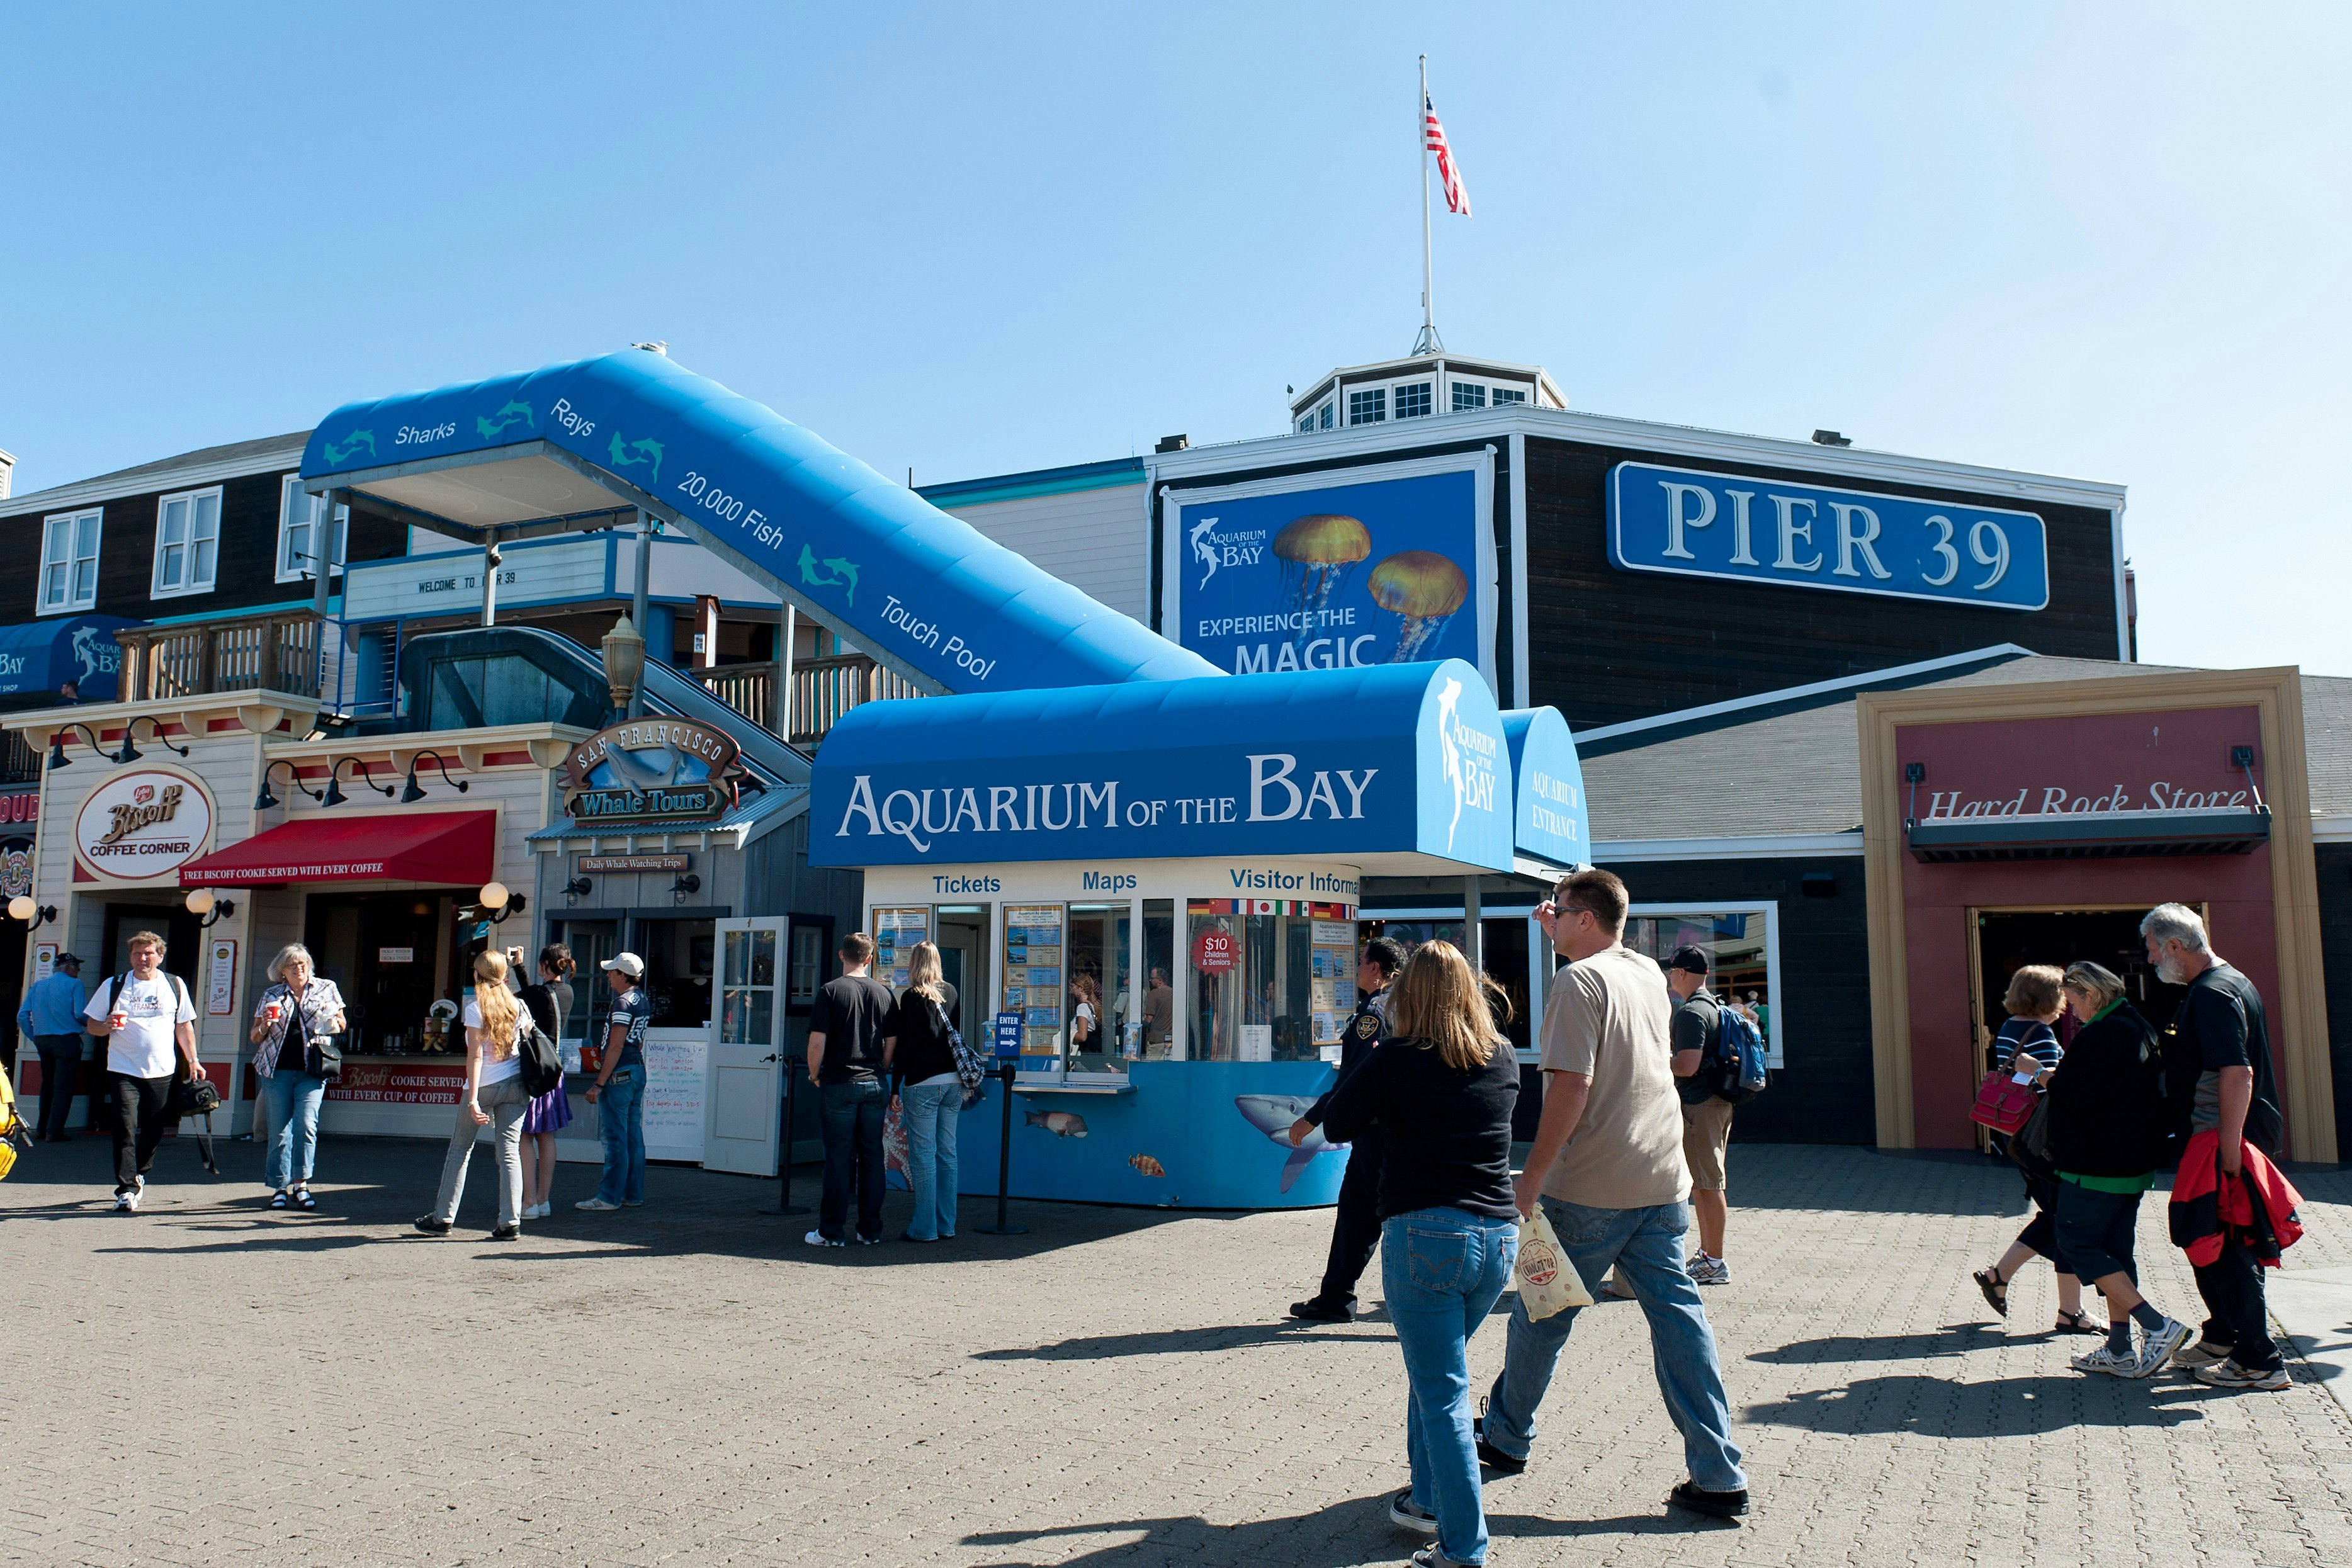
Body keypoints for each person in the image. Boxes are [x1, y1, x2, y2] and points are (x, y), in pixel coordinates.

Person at [1481, 869, 1750, 1520]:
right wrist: (1558, 933)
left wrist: (1533, 1175)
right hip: (1660, 1181)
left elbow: (1570, 1085)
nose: (1551, 921)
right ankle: (1718, 1472)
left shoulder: (1577, 982)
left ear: (1583, 918)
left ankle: (1506, 1435)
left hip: (1591, 1185)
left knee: (1541, 1313)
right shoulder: (1643, 973)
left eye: (1560, 913)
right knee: (1679, 1322)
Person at [1316, 940, 1519, 1568]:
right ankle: (1427, 1497)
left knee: (1443, 1392)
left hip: (1425, 1235)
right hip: (1496, 1240)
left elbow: (1337, 1124)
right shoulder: (1503, 1054)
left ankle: (1463, 1546)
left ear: (1409, 994)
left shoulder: (1395, 1057)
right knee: (1438, 1371)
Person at [2142, 903, 2290, 1390]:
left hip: (2220, 1140)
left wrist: (2229, 1150)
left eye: (2152, 949)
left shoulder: (2213, 993)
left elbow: (2238, 1071)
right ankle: (2224, 1333)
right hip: (2216, 1136)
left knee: (2222, 1245)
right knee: (2214, 1242)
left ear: (2175, 947)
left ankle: (2259, 1359)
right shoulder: (2230, 982)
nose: (2150, 960)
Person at [2045, 960, 2192, 1378]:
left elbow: (2076, 1096)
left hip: (2095, 1164)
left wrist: (2044, 1077)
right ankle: (2119, 1348)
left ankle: (2157, 1325)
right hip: (2131, 1162)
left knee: (2076, 1243)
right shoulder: (2136, 1024)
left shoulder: (2102, 1034)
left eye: (2074, 1003)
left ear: (2090, 995)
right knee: (2116, 1251)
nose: (2073, 1012)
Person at [1970, 964, 2096, 1333]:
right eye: (2063, 994)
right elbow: (2053, 1088)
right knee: (2065, 1219)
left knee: (2059, 1217)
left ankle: (2007, 1279)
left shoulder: (2011, 1027)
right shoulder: (2040, 1033)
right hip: (2047, 1140)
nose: (2067, 1002)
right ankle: (2067, 1311)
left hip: (2023, 1136)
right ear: (2048, 998)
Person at [1287, 936, 1405, 1323]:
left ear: (1375, 969)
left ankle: (1337, 1298)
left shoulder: (1375, 1012)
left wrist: (1313, 1117)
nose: (1354, 969)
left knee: (1360, 1214)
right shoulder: (1408, 1005)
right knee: (1390, 1213)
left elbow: (1356, 1076)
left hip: (1376, 1133)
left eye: (1360, 962)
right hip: (1406, 1129)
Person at [415, 950, 532, 1239]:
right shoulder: (518, 1006)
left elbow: (476, 1057)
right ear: (504, 976)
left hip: (485, 1085)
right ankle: (510, 1222)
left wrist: (473, 1100)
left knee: (459, 1151)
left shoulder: (476, 1008)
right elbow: (529, 1040)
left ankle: (443, 1218)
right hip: (517, 1084)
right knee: (509, 1153)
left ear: (477, 975)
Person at [82, 932, 200, 1214]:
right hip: (123, 1067)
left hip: (162, 1069)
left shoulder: (174, 985)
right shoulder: (115, 985)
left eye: (148, 953)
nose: (143, 958)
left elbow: (183, 1026)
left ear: (160, 956)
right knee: (124, 1126)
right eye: (137, 953)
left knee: (154, 1129)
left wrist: (193, 1060)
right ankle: (126, 1190)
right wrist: (107, 1026)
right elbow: (92, 1026)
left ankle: (139, 1172)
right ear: (130, 956)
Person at [805, 932, 893, 1246]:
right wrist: (881, 1067)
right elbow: (892, 1040)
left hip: (839, 1082)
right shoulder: (884, 994)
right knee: (872, 1156)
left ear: (842, 955)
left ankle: (831, 1232)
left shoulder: (830, 992)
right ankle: (870, 1231)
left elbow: (817, 1041)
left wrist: (815, 1074)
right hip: (874, 1082)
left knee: (838, 1159)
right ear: (869, 959)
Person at [248, 944, 348, 1211]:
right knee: (279, 1131)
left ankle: (301, 1184)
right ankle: (279, 1186)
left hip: (312, 1071)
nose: (299, 968)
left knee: (306, 1126)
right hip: (276, 1070)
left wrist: (332, 1022)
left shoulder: (326, 988)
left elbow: (342, 1023)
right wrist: (266, 1024)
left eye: (303, 963)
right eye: (292, 964)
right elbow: (255, 1036)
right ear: (282, 970)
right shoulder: (272, 994)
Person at [1663, 947, 1736, 1285]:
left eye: (1672, 970)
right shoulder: (1713, 1005)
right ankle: (1709, 1256)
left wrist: (1658, 1060)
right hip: (1715, 1103)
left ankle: (1715, 1262)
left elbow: (1687, 1066)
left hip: (1700, 1106)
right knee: (1707, 1182)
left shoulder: (1691, 1013)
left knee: (1707, 1183)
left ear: (1681, 973)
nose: (1669, 976)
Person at [885, 940, 960, 1243]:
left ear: (914, 964)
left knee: (924, 1156)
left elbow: (905, 1047)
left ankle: (924, 1228)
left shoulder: (911, 998)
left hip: (923, 1084)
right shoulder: (951, 991)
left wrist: (894, 1087)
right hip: (954, 1081)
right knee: (948, 1154)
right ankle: (947, 1224)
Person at [576, 952, 652, 1213]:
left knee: (615, 1137)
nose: (608, 975)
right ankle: (632, 1193)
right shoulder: (641, 999)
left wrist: (599, 1083)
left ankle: (609, 1197)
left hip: (620, 1074)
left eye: (612, 972)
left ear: (623, 975)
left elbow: (616, 1046)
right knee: (633, 1135)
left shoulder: (622, 1003)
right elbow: (638, 1041)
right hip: (637, 1070)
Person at [518, 944, 575, 1220]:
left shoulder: (538, 993)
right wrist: (520, 970)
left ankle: (528, 1202)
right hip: (554, 1069)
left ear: (543, 965)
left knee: (524, 1135)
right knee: (547, 1135)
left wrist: (515, 967)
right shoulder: (567, 992)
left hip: (534, 1071)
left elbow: (521, 1000)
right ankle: (543, 1200)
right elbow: (535, 995)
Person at [19, 951, 88, 1143]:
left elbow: (22, 1016)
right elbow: (80, 1014)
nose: (79, 970)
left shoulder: (38, 986)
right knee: (63, 1087)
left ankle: (41, 1128)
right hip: (66, 1039)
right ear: (69, 967)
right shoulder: (75, 984)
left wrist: (34, 1036)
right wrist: (93, 1023)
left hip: (43, 1040)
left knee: (48, 1084)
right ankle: (54, 1130)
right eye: (77, 966)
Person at [1141, 967, 1173, 1056]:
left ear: (1160, 980)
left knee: (1152, 1068)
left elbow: (1149, 1020)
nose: (1150, 980)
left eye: (1152, 978)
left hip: (1156, 1040)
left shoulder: (1153, 994)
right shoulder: (1173, 993)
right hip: (1170, 1039)